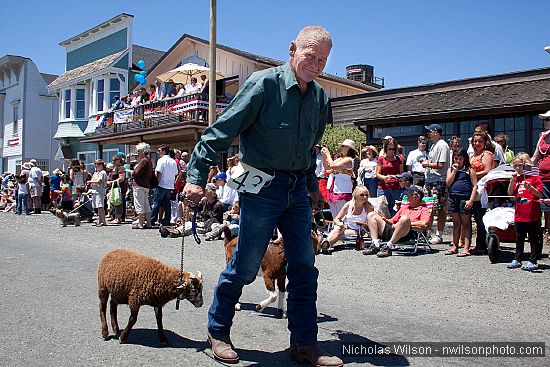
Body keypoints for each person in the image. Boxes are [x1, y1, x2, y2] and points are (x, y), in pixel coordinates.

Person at [183, 26, 341, 366]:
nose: (315, 65)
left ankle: (304, 344)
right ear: (292, 48)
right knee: (244, 264)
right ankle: (218, 330)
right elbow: (220, 132)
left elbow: (309, 148)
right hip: (262, 187)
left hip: (298, 190)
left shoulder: (320, 97)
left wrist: (313, 188)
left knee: (304, 267)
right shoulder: (263, 85)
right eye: (310, 56)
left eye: (322, 60)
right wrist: (196, 177)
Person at [364, 186, 431, 257]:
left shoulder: (424, 210)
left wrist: (406, 224)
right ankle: (375, 244)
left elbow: (425, 223)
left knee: (404, 219)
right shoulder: (404, 208)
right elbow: (392, 221)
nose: (407, 196)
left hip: (407, 233)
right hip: (393, 229)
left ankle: (388, 246)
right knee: (371, 215)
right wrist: (384, 219)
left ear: (417, 197)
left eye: (410, 194)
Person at [507, 153, 543, 271]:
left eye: (520, 165)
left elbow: (539, 194)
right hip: (519, 213)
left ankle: (533, 260)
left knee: (533, 237)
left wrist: (531, 188)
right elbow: (510, 194)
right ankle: (518, 258)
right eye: (515, 166)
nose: (518, 168)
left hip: (532, 213)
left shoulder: (534, 177)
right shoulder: (517, 178)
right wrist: (512, 181)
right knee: (519, 238)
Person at [320, 185, 373, 253]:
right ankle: (327, 244)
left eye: (366, 195)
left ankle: (327, 243)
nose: (365, 197)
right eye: (362, 195)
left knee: (338, 232)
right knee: (339, 228)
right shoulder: (349, 204)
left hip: (358, 230)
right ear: (356, 195)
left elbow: (371, 223)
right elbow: (337, 219)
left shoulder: (368, 207)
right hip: (344, 227)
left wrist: (364, 226)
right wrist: (340, 223)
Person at [445, 148, 477, 257]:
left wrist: (471, 200)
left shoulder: (469, 170)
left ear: (464, 159)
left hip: (465, 199)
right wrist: (454, 171)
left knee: (466, 223)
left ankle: (466, 248)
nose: (458, 161)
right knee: (456, 223)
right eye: (456, 158)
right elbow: (448, 183)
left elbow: (475, 186)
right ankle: (455, 246)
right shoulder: (451, 169)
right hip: (453, 198)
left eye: (460, 158)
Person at [421, 124, 450, 244]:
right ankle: (427, 233)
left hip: (439, 181)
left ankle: (439, 234)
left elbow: (441, 165)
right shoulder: (434, 145)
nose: (428, 133)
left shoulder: (442, 145)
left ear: (436, 132)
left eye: (429, 131)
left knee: (440, 209)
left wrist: (427, 164)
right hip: (430, 180)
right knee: (428, 207)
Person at [469, 131, 494, 255]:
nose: (477, 143)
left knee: (482, 218)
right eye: (475, 141)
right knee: (477, 218)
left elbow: (488, 170)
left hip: (483, 189)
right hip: (474, 188)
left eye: (480, 141)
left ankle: (483, 245)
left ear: (485, 142)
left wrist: (472, 175)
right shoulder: (473, 155)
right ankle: (479, 244)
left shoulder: (487, 154)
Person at [321, 139, 356, 219]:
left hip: (342, 189)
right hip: (332, 188)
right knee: (334, 215)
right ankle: (337, 230)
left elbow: (332, 165)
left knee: (342, 215)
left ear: (348, 148)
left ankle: (343, 230)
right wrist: (324, 156)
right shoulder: (340, 159)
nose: (341, 148)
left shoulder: (349, 160)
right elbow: (327, 168)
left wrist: (328, 154)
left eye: (343, 146)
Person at [532, 110, 550, 240]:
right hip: (543, 178)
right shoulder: (542, 137)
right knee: (546, 210)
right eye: (544, 119)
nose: (545, 122)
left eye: (548, 119)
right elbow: (535, 157)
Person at [151, 145, 178, 226]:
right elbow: (176, 173)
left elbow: (159, 172)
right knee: (167, 204)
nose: (158, 152)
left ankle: (152, 220)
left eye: (159, 151)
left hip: (162, 184)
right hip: (170, 185)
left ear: (163, 151)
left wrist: (157, 183)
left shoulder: (161, 160)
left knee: (156, 203)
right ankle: (166, 221)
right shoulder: (173, 161)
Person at [376, 137, 404, 216]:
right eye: (389, 149)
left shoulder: (399, 159)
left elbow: (402, 174)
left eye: (393, 149)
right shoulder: (381, 159)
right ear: (385, 148)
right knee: (382, 211)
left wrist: (396, 177)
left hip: (396, 188)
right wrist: (385, 177)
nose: (392, 151)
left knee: (395, 210)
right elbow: (377, 174)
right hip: (383, 188)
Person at [131, 142, 153, 229]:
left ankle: (140, 223)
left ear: (143, 151)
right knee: (146, 204)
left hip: (139, 185)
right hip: (146, 185)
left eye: (138, 151)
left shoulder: (143, 161)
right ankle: (148, 223)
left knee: (139, 204)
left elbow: (136, 173)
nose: (137, 152)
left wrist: (132, 171)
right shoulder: (149, 160)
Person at [87, 159, 108, 227]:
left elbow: (99, 181)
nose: (96, 168)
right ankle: (100, 220)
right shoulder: (95, 173)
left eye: (97, 166)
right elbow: (93, 180)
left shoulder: (103, 172)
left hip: (100, 191)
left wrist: (90, 182)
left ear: (101, 165)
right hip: (95, 191)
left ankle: (103, 221)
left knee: (100, 206)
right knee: (97, 207)